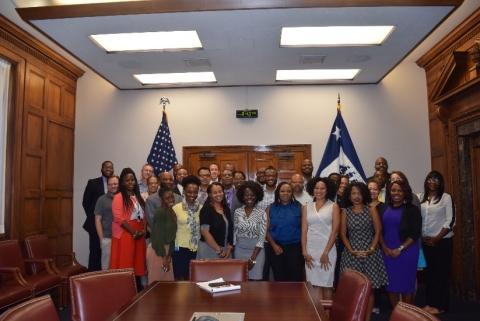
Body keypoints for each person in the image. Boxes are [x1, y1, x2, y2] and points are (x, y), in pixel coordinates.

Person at [339, 182, 389, 321]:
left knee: (369, 288)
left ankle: (367, 319)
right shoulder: (345, 212)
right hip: (351, 253)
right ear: (349, 195)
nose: (356, 196)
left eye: (359, 193)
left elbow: (378, 231)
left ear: (364, 195)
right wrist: (351, 250)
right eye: (353, 193)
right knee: (353, 288)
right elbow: (343, 234)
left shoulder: (371, 209)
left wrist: (371, 249)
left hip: (370, 253)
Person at [379, 180, 422, 307]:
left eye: (399, 190)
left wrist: (400, 249)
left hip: (406, 252)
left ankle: (406, 314)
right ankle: (396, 313)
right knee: (391, 284)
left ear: (405, 192)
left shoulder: (412, 209)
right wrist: (384, 248)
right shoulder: (383, 207)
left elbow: (415, 233)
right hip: (387, 253)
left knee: (406, 284)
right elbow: (379, 230)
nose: (396, 193)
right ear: (389, 192)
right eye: (393, 190)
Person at [418, 171, 455, 315]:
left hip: (442, 242)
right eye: (430, 179)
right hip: (426, 242)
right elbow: (416, 219)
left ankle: (441, 305)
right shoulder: (420, 197)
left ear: (440, 182)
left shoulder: (446, 198)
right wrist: (422, 236)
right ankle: (431, 302)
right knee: (430, 274)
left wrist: (437, 238)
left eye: (436, 179)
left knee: (442, 274)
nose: (433, 182)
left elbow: (451, 221)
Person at [302, 177, 340, 300]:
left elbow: (335, 232)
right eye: (316, 188)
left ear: (327, 190)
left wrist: (325, 252)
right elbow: (304, 231)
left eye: (322, 188)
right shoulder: (306, 207)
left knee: (327, 285)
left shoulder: (333, 206)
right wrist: (304, 252)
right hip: (311, 249)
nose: (319, 191)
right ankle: (319, 316)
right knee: (315, 284)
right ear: (312, 190)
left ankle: (327, 316)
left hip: (327, 249)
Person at [110, 168, 147, 291]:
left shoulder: (139, 196)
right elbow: (119, 218)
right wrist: (133, 232)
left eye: (132, 179)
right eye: (127, 180)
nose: (130, 182)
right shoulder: (119, 197)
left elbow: (144, 215)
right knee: (126, 262)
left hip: (138, 232)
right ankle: (124, 290)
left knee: (136, 262)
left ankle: (136, 288)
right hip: (126, 232)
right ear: (122, 183)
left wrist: (142, 230)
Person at [266, 182, 304, 281]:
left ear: (292, 193)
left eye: (288, 191)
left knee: (295, 278)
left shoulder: (300, 207)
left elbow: (304, 229)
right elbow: (265, 230)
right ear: (278, 193)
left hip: (295, 249)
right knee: (279, 278)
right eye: (282, 191)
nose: (285, 193)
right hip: (276, 249)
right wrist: (274, 245)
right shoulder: (270, 208)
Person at [82, 160, 114, 271]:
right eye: (106, 167)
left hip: (110, 225)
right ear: (101, 169)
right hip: (95, 224)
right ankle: (92, 279)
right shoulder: (93, 183)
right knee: (95, 252)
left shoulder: (116, 184)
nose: (108, 169)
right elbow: (86, 202)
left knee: (108, 254)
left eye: (110, 167)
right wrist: (95, 217)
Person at [234, 181, 267, 281]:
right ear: (242, 197)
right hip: (239, 251)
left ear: (257, 196)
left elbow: (262, 237)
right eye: (247, 195)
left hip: (257, 252)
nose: (250, 197)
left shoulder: (262, 213)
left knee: (256, 279)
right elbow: (235, 233)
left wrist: (253, 258)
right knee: (240, 279)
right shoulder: (237, 212)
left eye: (252, 195)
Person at [172, 175, 202, 280]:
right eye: (189, 192)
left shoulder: (202, 209)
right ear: (184, 191)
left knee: (195, 278)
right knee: (181, 279)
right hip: (180, 248)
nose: (192, 195)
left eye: (195, 192)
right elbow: (172, 229)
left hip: (197, 248)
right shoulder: (175, 208)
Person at [146, 187, 176, 284]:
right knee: (155, 285)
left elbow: (172, 236)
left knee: (168, 285)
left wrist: (169, 254)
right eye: (167, 198)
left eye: (172, 197)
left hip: (166, 252)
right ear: (161, 199)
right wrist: (163, 257)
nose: (171, 200)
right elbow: (157, 236)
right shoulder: (160, 212)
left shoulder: (171, 211)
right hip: (157, 251)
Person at [197, 182, 233, 259]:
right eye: (215, 193)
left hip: (225, 250)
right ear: (210, 195)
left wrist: (230, 247)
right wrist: (219, 250)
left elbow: (230, 230)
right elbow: (204, 232)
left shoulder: (226, 209)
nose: (218, 194)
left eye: (220, 192)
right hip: (209, 249)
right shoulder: (206, 209)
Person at [94, 175, 119, 270]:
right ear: (107, 186)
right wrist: (102, 239)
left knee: (121, 267)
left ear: (119, 184)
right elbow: (97, 220)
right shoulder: (102, 200)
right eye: (110, 184)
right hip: (108, 238)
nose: (113, 186)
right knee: (106, 266)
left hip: (122, 238)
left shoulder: (124, 199)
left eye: (115, 184)